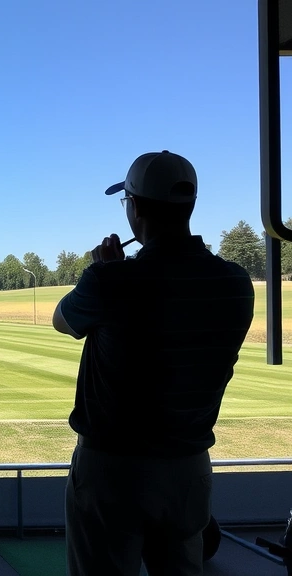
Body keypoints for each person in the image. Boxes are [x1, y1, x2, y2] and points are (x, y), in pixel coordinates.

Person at [52, 151, 255, 576]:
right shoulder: (237, 284)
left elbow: (63, 322)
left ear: (137, 206)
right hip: (189, 469)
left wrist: (105, 273)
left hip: (112, 470)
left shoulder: (111, 280)